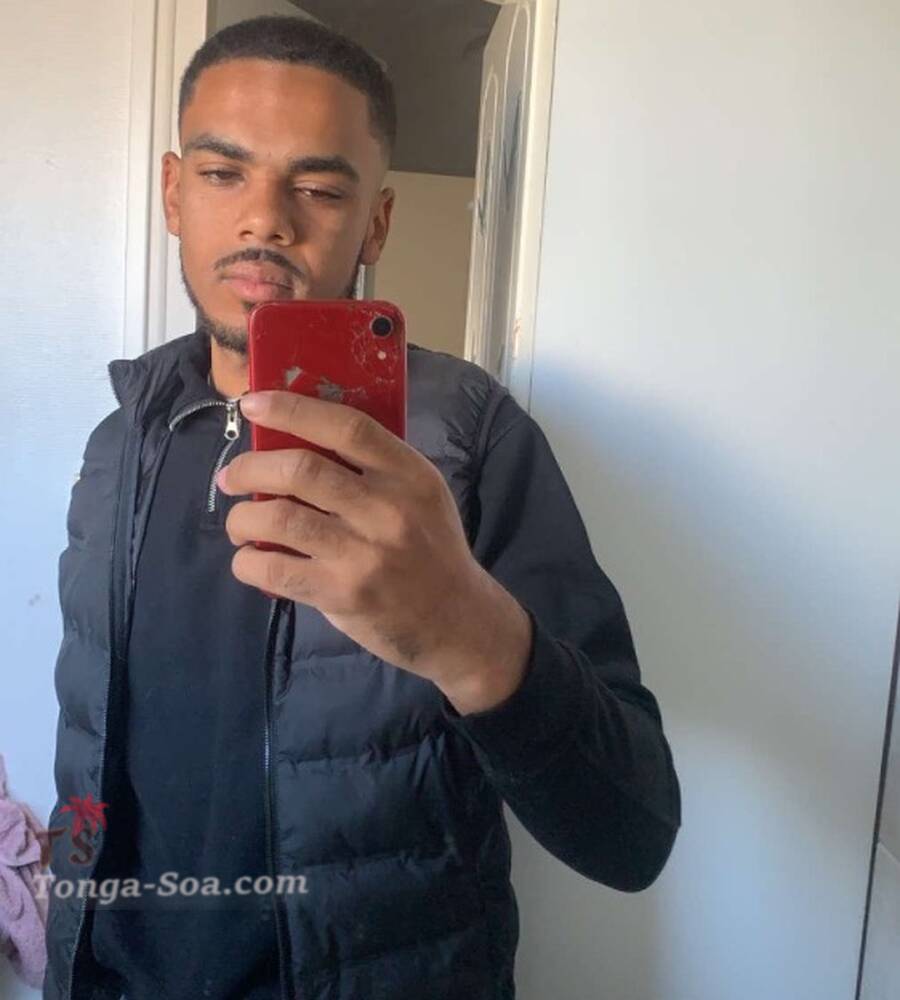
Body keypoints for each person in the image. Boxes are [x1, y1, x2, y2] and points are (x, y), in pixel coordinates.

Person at [43, 15, 681, 1000]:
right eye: (223, 173)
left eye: (319, 187)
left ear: (375, 223)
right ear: (173, 192)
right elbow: (91, 752)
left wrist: (467, 633)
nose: (265, 220)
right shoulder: (116, 441)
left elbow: (633, 831)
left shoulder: (469, 437)